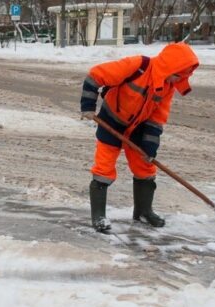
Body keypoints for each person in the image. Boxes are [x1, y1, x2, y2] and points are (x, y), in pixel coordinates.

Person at [80, 42, 199, 233]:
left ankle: (143, 211)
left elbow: (157, 119)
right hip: (112, 120)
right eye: (178, 74)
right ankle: (99, 216)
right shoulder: (137, 65)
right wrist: (87, 106)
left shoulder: (168, 86)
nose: (178, 79)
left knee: (145, 167)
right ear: (169, 66)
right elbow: (95, 75)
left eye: (182, 76)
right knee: (104, 167)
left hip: (138, 127)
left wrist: (149, 149)